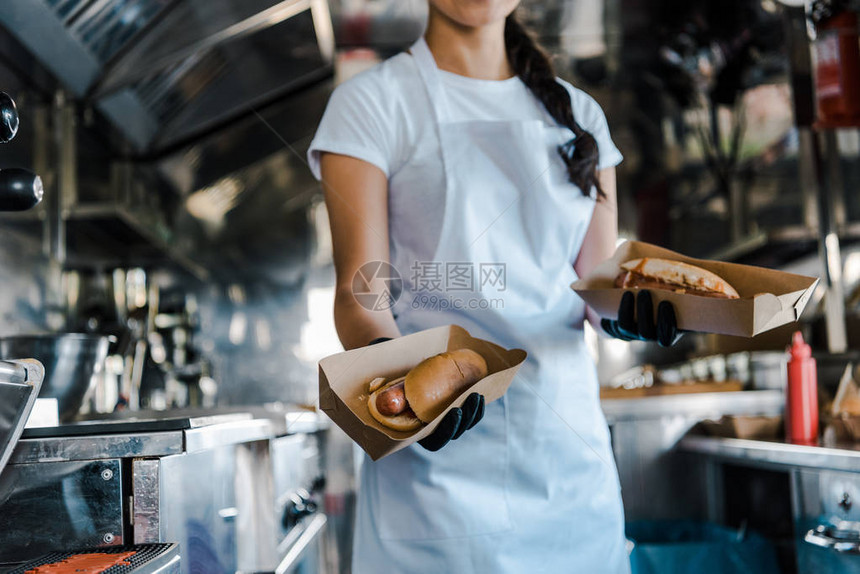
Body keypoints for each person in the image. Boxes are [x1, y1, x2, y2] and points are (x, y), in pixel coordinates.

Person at [308, 1, 677, 572]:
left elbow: (598, 287)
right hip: (434, 480)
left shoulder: (581, 116)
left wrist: (631, 311)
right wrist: (393, 382)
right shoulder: (369, 105)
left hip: (568, 476)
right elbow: (362, 294)